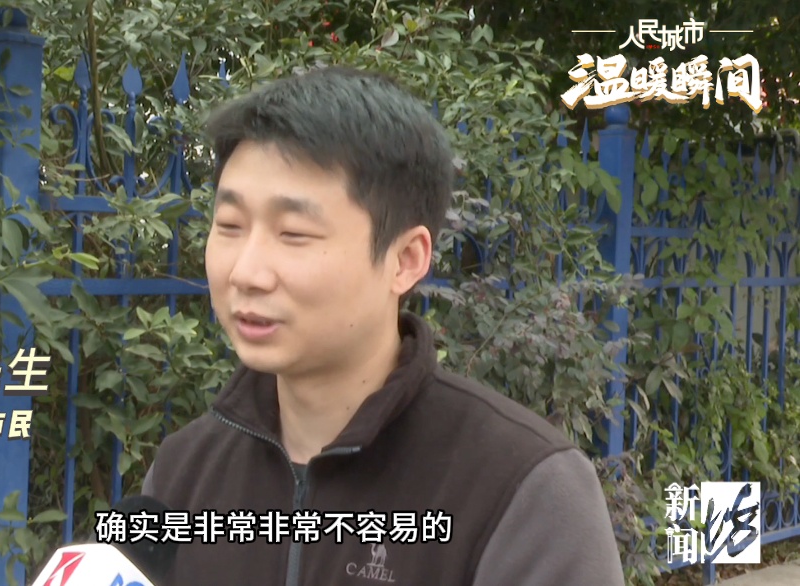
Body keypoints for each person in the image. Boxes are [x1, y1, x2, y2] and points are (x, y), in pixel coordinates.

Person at [140, 65, 626, 586]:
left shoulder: (522, 488)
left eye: (294, 233)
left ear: (405, 260)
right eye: (230, 226)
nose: (245, 272)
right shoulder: (182, 473)